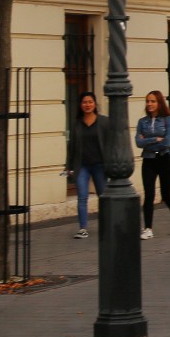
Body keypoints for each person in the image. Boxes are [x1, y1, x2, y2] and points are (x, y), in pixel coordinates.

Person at [136, 90, 170, 239]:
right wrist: (155, 139)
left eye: (153, 101)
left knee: (166, 195)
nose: (149, 104)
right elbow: (138, 142)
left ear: (159, 103)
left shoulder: (168, 120)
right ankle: (148, 229)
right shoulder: (142, 121)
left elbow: (167, 142)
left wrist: (148, 140)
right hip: (148, 160)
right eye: (147, 101)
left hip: (165, 159)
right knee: (149, 195)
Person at [64, 91, 108, 241]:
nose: (87, 105)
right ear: (80, 105)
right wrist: (68, 166)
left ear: (95, 104)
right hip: (82, 165)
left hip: (100, 165)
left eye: (90, 102)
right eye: (84, 102)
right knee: (82, 197)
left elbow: (110, 143)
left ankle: (106, 225)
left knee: (103, 196)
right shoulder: (77, 124)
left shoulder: (104, 122)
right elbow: (72, 147)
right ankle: (82, 228)